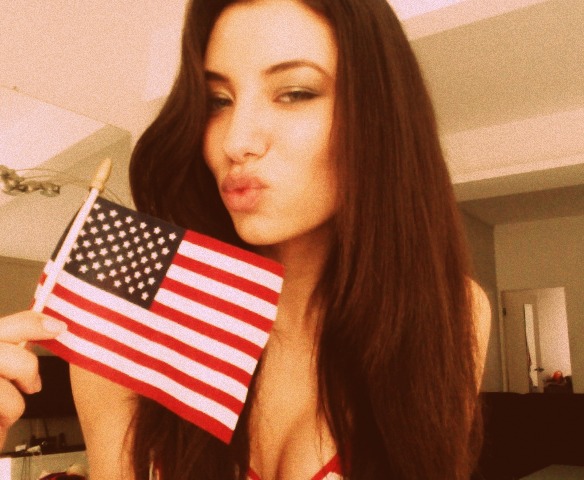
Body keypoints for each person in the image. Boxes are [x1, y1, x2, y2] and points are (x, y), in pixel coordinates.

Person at [0, 0, 491, 478]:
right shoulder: (128, 309)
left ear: (379, 116)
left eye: (295, 93)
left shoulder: (453, 311)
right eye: (218, 101)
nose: (236, 142)